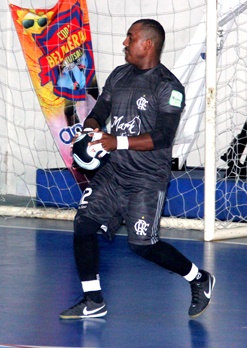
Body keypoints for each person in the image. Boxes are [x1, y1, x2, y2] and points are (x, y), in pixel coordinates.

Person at [59, 19, 215, 320]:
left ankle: (198, 279)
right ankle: (93, 300)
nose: (124, 43)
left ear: (148, 44)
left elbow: (163, 137)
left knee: (142, 246)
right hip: (112, 173)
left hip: (146, 179)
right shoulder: (119, 75)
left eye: (130, 38)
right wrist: (88, 134)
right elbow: (99, 113)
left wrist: (115, 141)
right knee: (84, 225)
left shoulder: (169, 87)